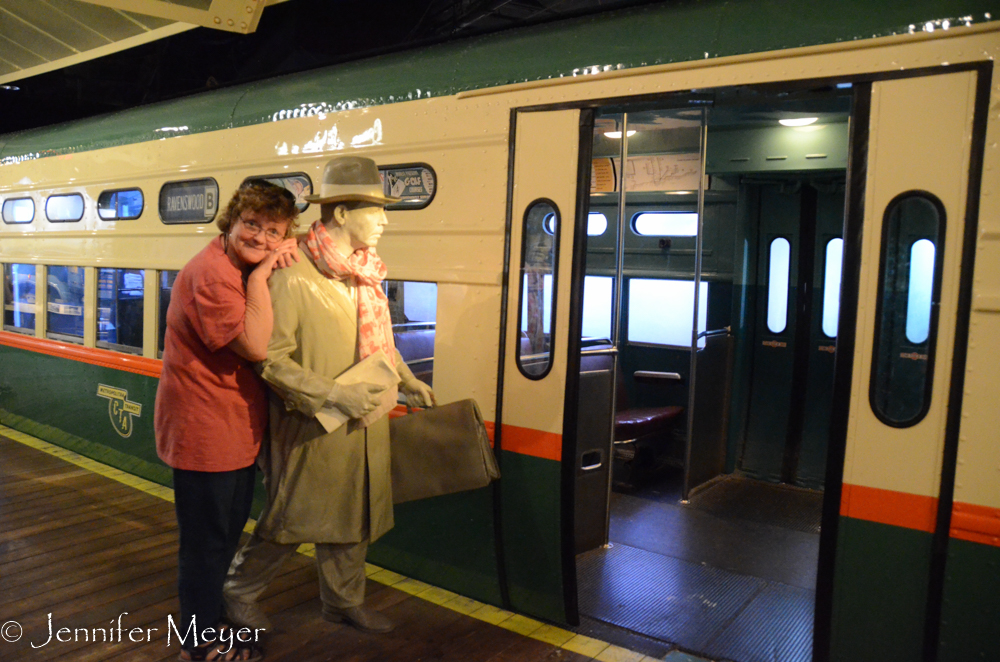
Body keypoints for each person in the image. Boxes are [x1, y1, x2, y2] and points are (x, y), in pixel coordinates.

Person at [222, 156, 434, 634]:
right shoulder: (293, 275)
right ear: (340, 214)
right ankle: (239, 592)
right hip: (313, 424)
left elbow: (381, 340)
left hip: (366, 419)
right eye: (375, 210)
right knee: (291, 518)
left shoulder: (363, 272)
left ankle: (343, 600)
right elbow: (271, 360)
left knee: (355, 515)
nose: (384, 220)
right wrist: (335, 394)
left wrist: (407, 377)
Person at [155, 180, 300, 661]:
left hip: (232, 431)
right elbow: (256, 347)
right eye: (251, 224)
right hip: (205, 433)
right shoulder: (215, 275)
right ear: (232, 221)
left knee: (220, 538)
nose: (259, 237)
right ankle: (197, 649)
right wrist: (261, 279)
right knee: (205, 547)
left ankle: (209, 625)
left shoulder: (233, 263)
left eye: (272, 230)